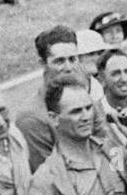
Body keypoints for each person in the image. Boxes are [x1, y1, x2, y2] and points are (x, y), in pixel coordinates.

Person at [15, 27, 82, 171]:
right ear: (43, 64)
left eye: (72, 59)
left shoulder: (84, 95)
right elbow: (52, 175)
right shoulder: (31, 118)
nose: (69, 67)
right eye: (59, 61)